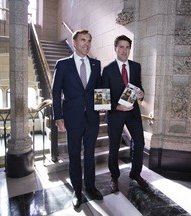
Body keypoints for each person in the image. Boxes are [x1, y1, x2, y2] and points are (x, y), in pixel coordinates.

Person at [52, 29, 103, 209]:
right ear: (74, 43)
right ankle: (77, 190)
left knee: (90, 155)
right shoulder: (63, 64)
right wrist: (58, 116)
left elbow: (99, 90)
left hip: (92, 118)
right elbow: (56, 92)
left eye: (89, 41)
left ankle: (90, 186)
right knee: (74, 155)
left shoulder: (96, 64)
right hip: (72, 118)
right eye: (83, 40)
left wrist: (103, 106)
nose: (86, 44)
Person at [101, 35, 149, 193]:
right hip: (116, 113)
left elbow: (139, 87)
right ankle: (114, 176)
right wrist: (117, 107)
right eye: (121, 47)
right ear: (115, 48)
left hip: (133, 112)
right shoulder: (107, 70)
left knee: (140, 143)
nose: (124, 50)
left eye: (127, 47)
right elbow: (103, 99)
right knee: (114, 146)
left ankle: (135, 173)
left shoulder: (136, 66)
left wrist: (141, 93)